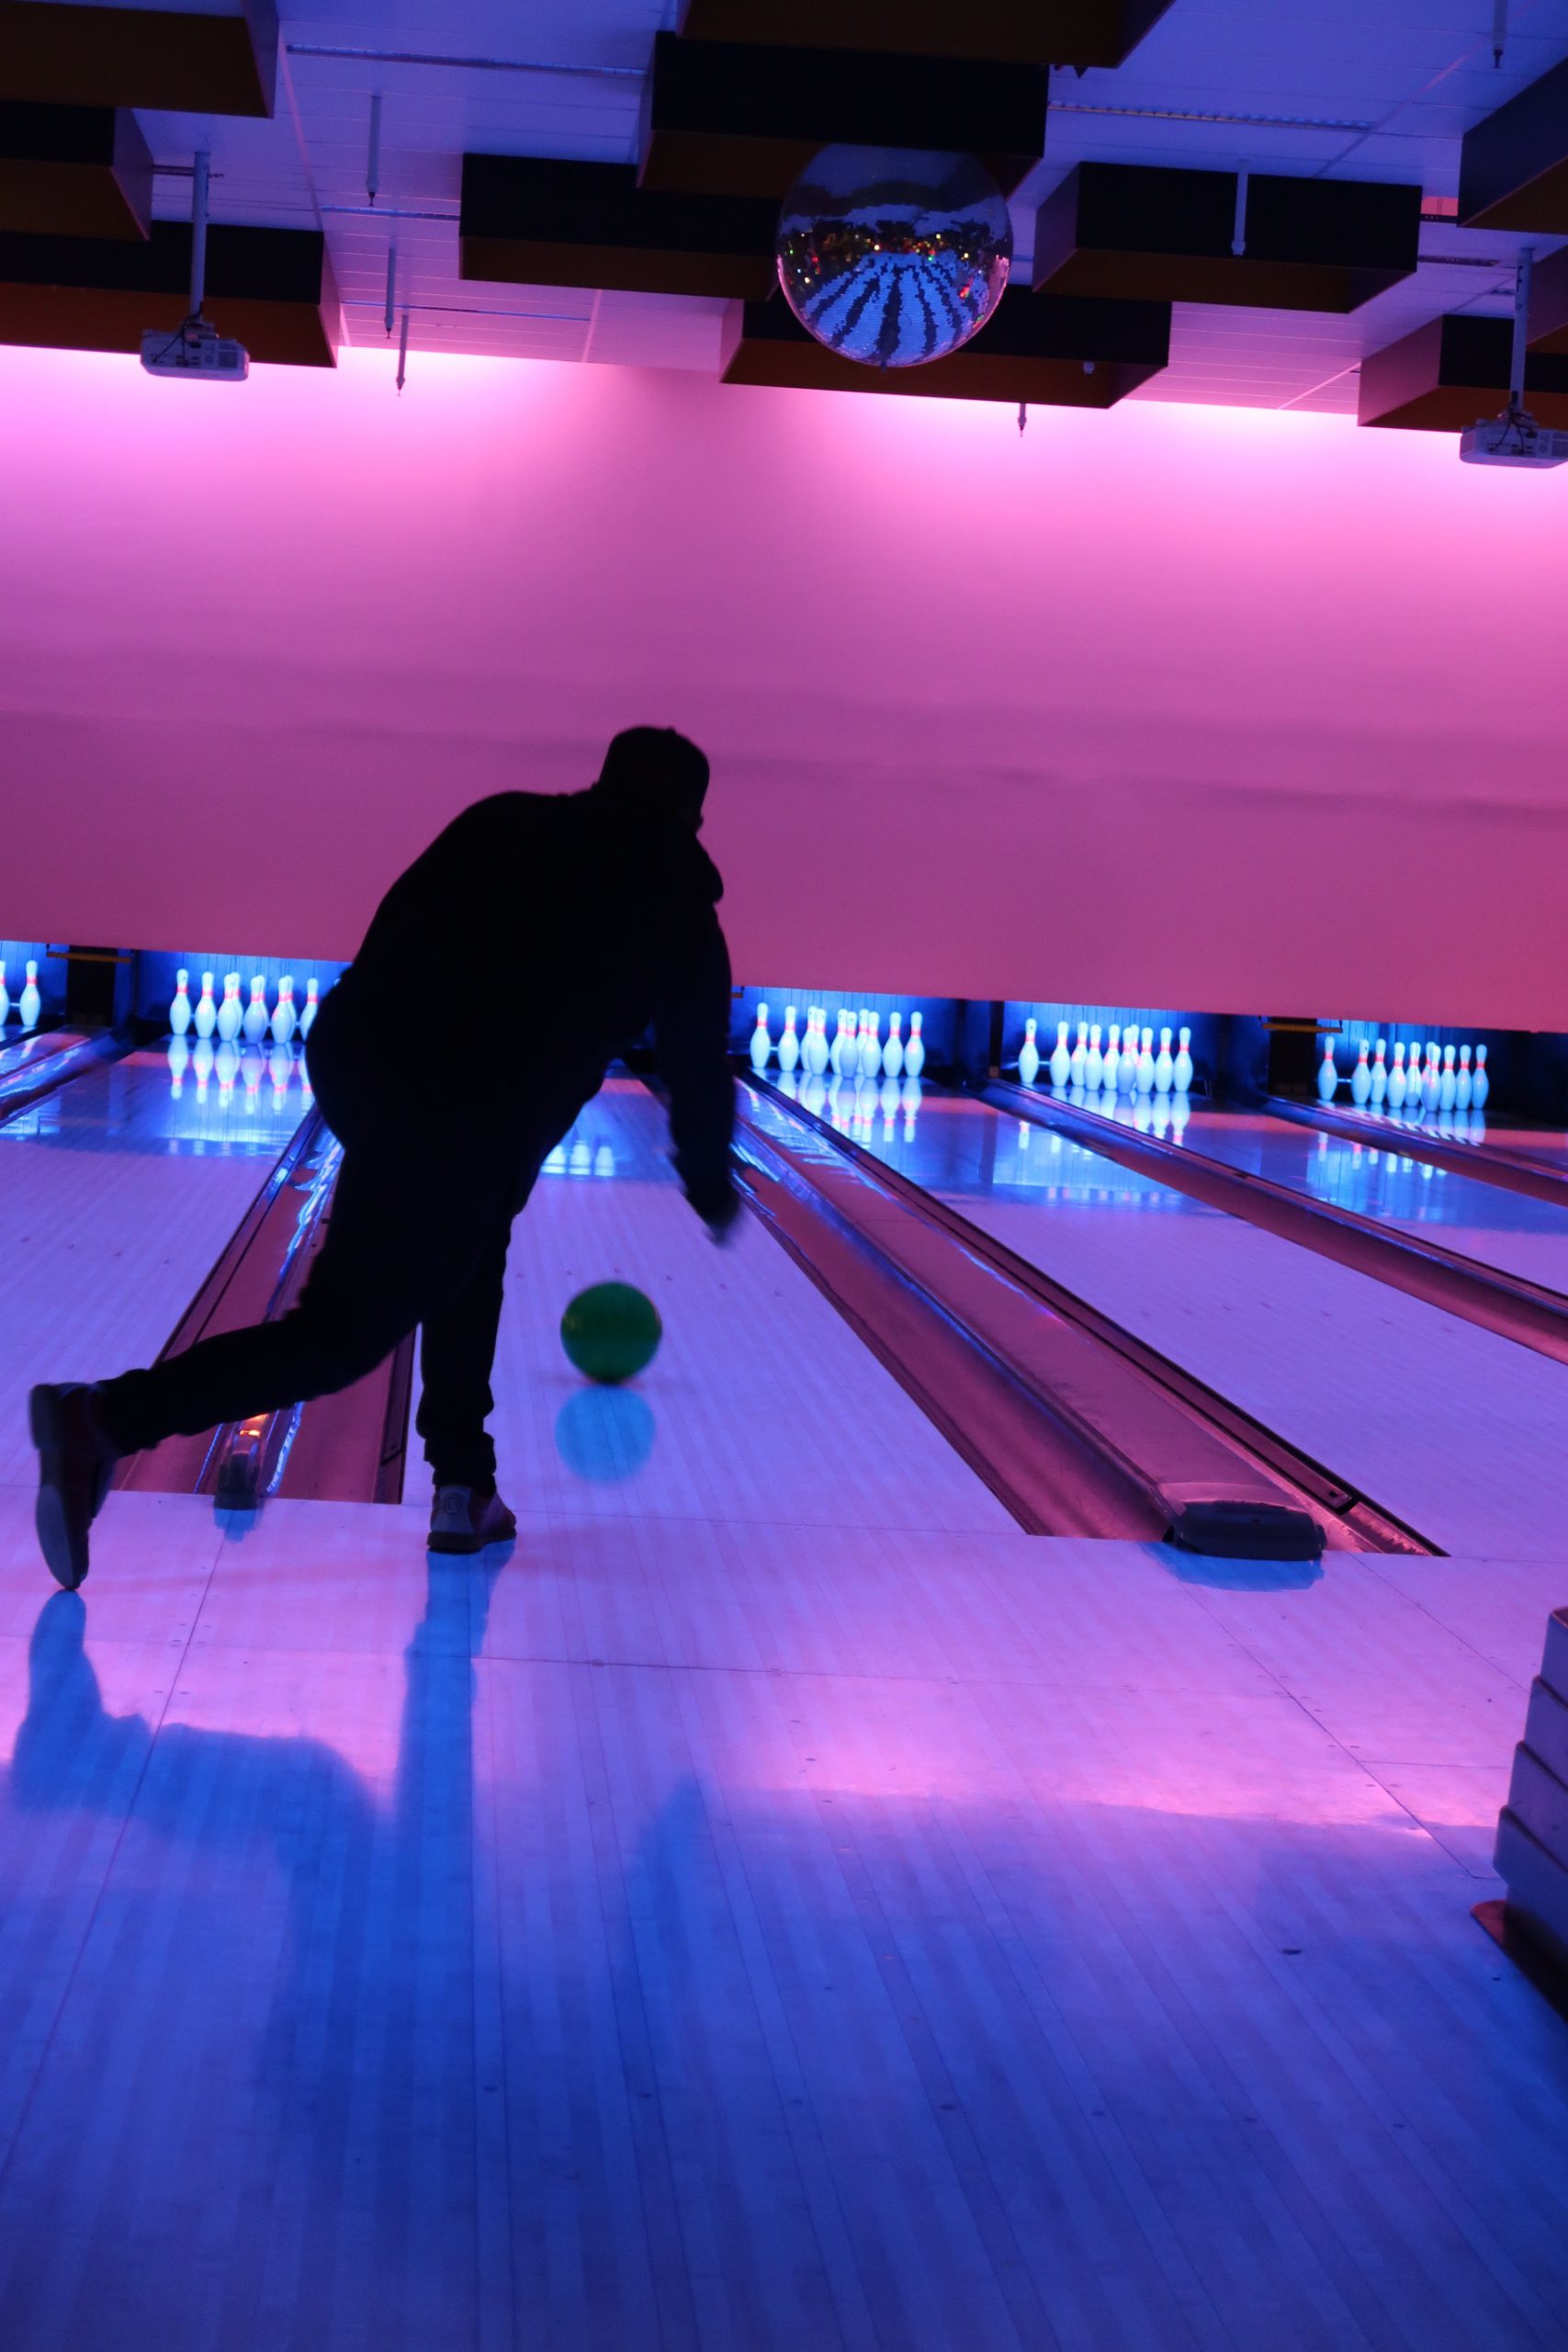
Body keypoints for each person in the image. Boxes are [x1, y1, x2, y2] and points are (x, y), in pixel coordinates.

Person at [30, 725, 739, 1588]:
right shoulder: (679, 916)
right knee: (341, 1335)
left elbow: (388, 939)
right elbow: (699, 1073)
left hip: (362, 1062)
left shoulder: (503, 822)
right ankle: (102, 1420)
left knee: (468, 1247)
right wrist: (710, 1185)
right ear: (691, 819)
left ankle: (464, 1482)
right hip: (464, 1119)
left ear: (602, 782)